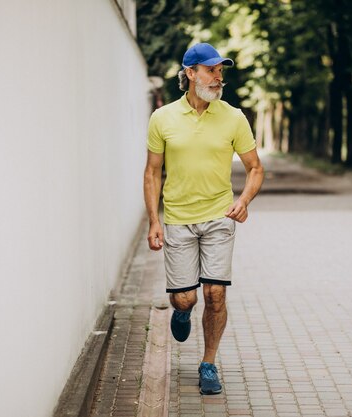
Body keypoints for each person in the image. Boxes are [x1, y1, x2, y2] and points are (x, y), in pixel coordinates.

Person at [143, 43, 264, 395]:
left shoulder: (234, 117)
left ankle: (208, 363)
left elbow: (255, 167)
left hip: (219, 218)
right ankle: (181, 311)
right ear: (190, 73)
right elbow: (152, 173)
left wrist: (244, 200)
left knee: (215, 295)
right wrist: (154, 220)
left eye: (221, 71)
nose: (218, 77)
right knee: (186, 299)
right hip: (178, 220)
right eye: (211, 70)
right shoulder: (162, 119)